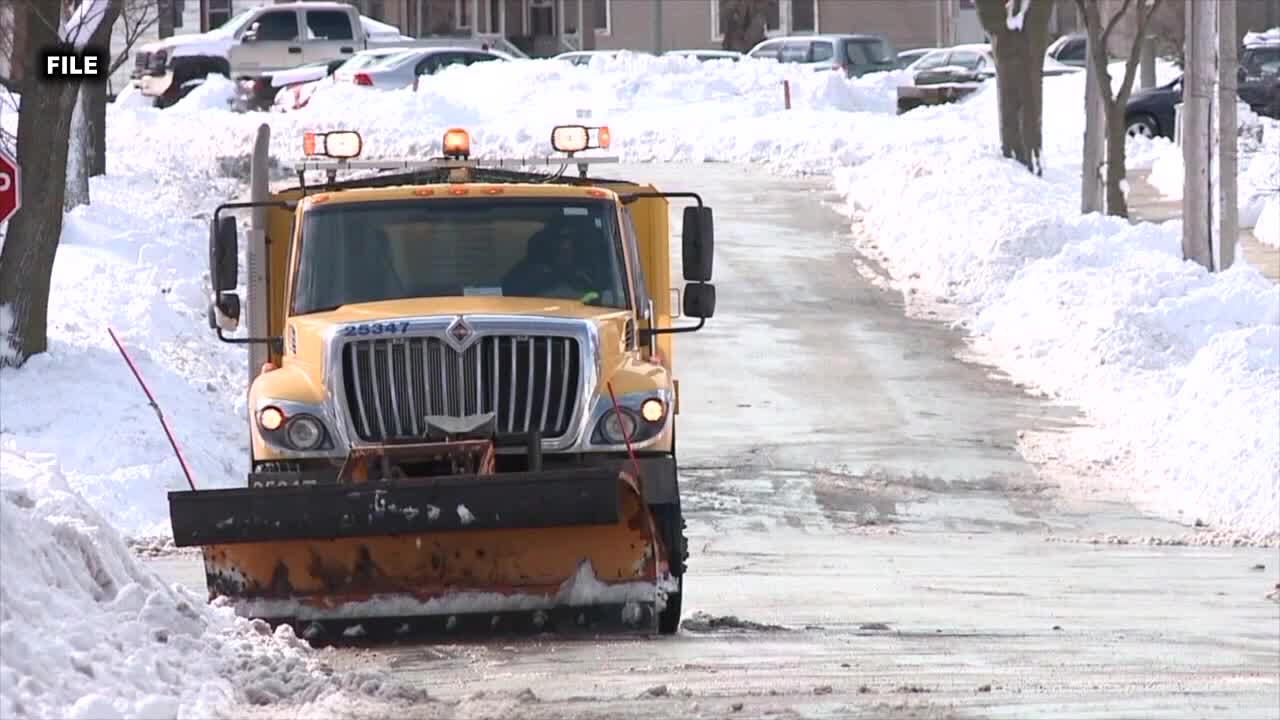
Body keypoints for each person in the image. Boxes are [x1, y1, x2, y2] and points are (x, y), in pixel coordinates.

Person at [503, 218, 606, 303]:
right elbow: (510, 294)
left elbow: (605, 297)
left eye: (569, 238)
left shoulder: (593, 272)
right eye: (559, 238)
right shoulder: (527, 273)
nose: (564, 245)